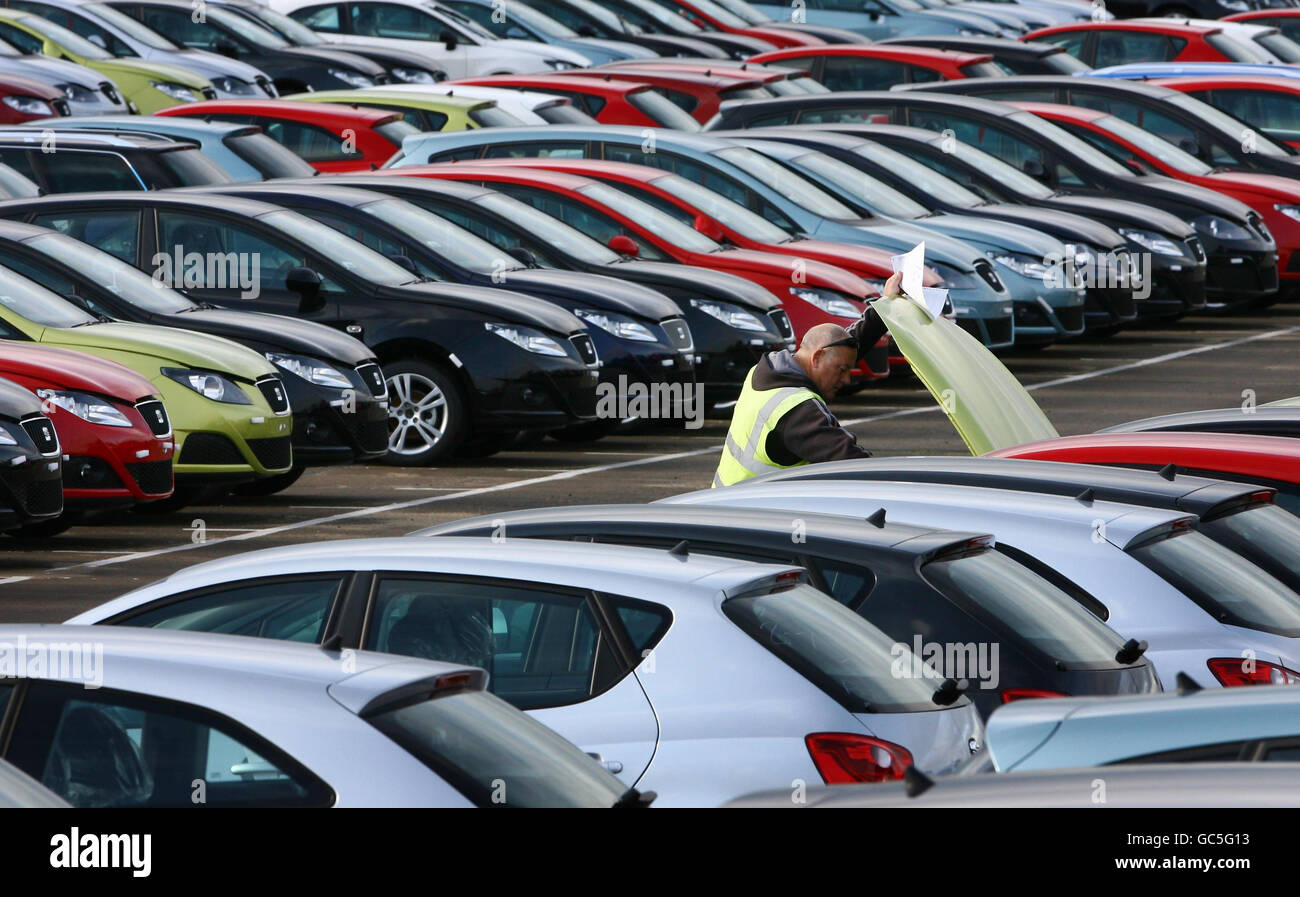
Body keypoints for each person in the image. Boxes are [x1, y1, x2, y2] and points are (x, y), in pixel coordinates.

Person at [712, 271, 903, 487]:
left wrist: (886, 306)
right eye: (842, 370)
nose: (847, 379)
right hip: (755, 515)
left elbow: (841, 347)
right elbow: (852, 463)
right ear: (817, 357)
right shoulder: (797, 410)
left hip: (727, 507)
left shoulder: (766, 371)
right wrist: (903, 487)